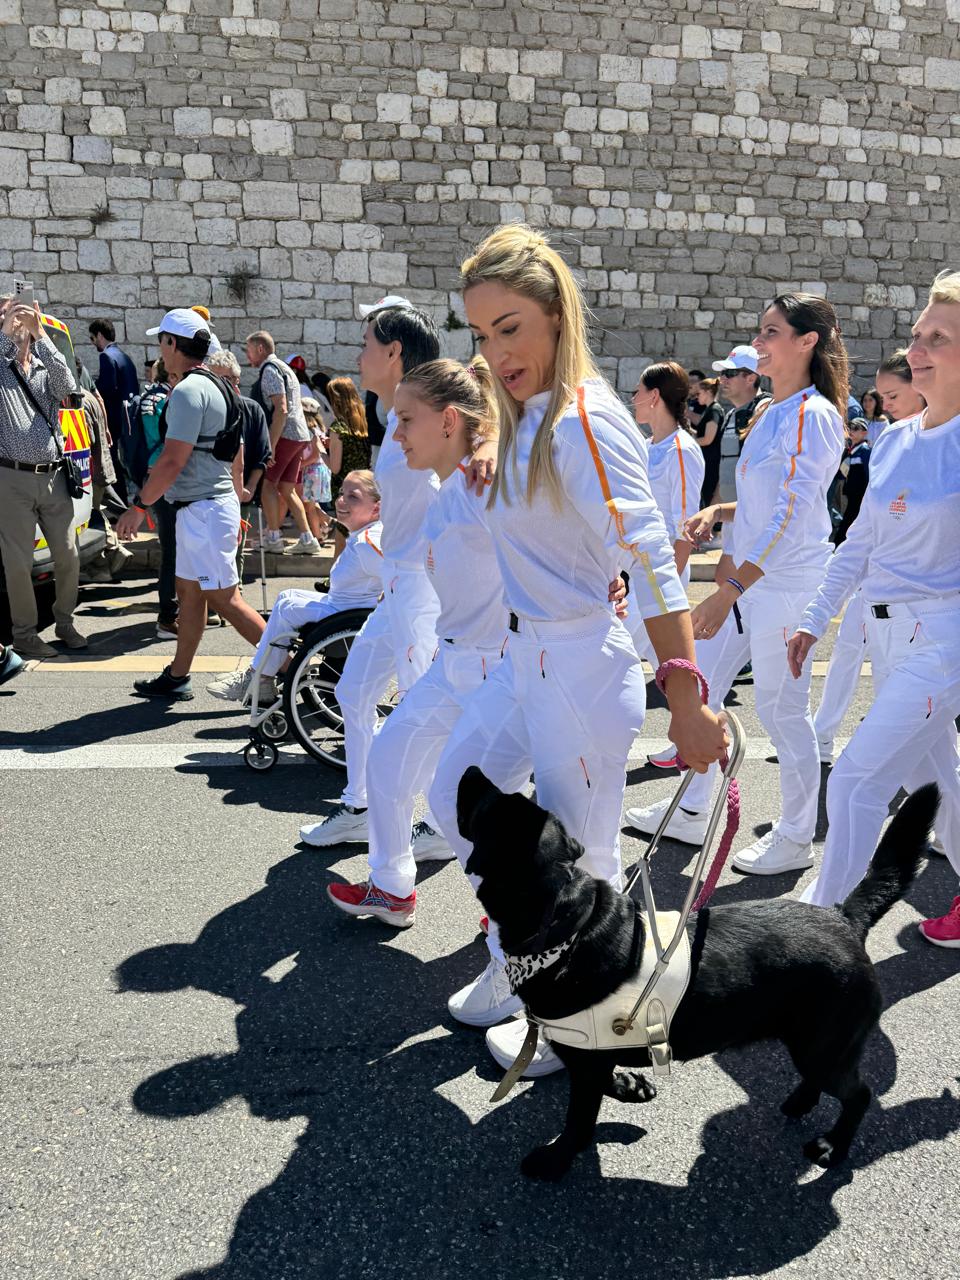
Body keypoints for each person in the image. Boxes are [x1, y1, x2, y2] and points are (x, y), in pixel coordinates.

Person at [423, 224, 725, 1076]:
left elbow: (650, 555)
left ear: (556, 314)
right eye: (480, 334)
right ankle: (516, 966)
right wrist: (485, 444)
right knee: (454, 796)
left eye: (509, 328)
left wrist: (688, 696)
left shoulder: (584, 420)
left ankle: (586, 1024)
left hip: (579, 670)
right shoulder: (526, 417)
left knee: (584, 865)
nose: (494, 351)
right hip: (527, 660)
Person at [627, 292, 847, 877]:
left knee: (782, 712)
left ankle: (797, 834)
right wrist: (719, 512)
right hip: (751, 583)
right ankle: (696, 808)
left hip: (784, 584)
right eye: (761, 331)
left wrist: (730, 589)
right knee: (701, 687)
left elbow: (796, 514)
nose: (761, 341)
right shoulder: (774, 412)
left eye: (772, 332)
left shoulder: (814, 414)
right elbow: (761, 504)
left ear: (807, 342)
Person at [788, 269, 960, 948]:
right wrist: (813, 616)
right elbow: (858, 544)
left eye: (938, 338)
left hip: (942, 636)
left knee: (857, 780)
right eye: (917, 334)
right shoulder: (893, 438)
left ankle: (826, 931)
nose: (916, 349)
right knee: (935, 774)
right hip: (884, 633)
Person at [326, 357, 505, 926]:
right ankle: (392, 887)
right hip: (453, 664)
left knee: (465, 803)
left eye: (406, 420)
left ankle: (515, 918)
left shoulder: (489, 487)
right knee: (389, 759)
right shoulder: (448, 490)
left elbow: (569, 544)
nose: (395, 433)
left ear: (449, 421)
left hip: (503, 672)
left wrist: (611, 585)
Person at [297, 298, 450, 854]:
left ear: (394, 352)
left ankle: (435, 825)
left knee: (417, 710)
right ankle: (360, 806)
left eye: (367, 344)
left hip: (419, 590)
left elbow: (452, 486)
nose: (358, 355)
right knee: (353, 689)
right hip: (399, 587)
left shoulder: (426, 417)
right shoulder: (392, 415)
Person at [116, 309, 266, 700]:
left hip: (202, 509)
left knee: (224, 599)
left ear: (171, 343)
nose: (159, 351)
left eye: (160, 342)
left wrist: (138, 505)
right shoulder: (214, 385)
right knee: (191, 593)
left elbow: (171, 460)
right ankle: (179, 675)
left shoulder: (186, 391)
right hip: (205, 507)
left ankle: (286, 667)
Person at [812, 350, 927, 763]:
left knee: (925, 724)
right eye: (881, 396)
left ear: (920, 386)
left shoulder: (937, 441)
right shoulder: (891, 440)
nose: (885, 404)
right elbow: (867, 524)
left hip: (919, 600)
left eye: (892, 395)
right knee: (847, 650)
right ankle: (824, 734)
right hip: (874, 574)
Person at [208, 470, 384, 703]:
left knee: (288, 606)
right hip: (344, 607)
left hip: (349, 615)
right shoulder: (362, 536)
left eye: (353, 497)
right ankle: (261, 675)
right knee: (286, 597)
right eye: (342, 493)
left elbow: (397, 579)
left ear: (376, 508)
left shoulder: (367, 543)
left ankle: (259, 677)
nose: (341, 500)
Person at [0, 295, 85, 658]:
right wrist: (5, 333)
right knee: (18, 563)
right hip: (12, 479)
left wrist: (44, 336)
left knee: (67, 554)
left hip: (53, 478)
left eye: (20, 315)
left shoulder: (42, 366)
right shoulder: (2, 368)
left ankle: (64, 622)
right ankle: (25, 635)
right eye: (8, 315)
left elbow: (69, 388)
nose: (18, 322)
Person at [627, 361, 704, 660]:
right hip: (637, 569)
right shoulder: (646, 446)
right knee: (668, 662)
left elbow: (685, 523)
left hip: (661, 571)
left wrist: (667, 580)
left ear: (654, 396)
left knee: (620, 651)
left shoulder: (682, 449)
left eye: (638, 391)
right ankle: (707, 705)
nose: (633, 399)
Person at [244, 332, 321, 557]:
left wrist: (270, 446)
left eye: (248, 349)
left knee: (268, 486)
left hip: (285, 435)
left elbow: (281, 409)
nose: (247, 355)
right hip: (299, 434)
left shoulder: (270, 370)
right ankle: (307, 539)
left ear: (259, 349)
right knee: (287, 489)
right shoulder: (285, 368)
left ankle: (274, 538)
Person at [205, 349, 273, 586]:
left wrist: (251, 486)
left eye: (228, 379)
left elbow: (263, 453)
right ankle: (215, 597)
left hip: (239, 493)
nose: (223, 385)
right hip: (209, 493)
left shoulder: (252, 409)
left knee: (235, 549)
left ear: (237, 380)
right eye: (217, 380)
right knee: (211, 550)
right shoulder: (207, 409)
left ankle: (234, 594)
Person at [88, 318, 139, 500]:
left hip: (115, 418)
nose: (93, 343)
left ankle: (119, 501)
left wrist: (92, 388)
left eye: (92, 338)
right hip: (128, 417)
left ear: (100, 335)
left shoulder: (107, 357)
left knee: (112, 460)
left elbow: (107, 388)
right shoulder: (124, 356)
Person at [712, 344, 767, 507]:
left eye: (729, 373)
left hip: (752, 514)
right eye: (722, 374)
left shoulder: (764, 409)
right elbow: (725, 470)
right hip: (729, 517)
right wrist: (715, 512)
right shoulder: (730, 415)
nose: (722, 379)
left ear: (751, 378)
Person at [325, 376, 372, 562]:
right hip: (363, 486)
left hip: (344, 488)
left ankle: (334, 580)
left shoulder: (337, 428)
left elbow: (335, 467)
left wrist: (321, 451)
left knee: (342, 536)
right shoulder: (363, 425)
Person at [299, 398, 332, 545]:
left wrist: (300, 465)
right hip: (320, 470)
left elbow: (314, 456)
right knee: (310, 503)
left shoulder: (309, 431)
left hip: (312, 470)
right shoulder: (318, 429)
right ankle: (326, 523)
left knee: (309, 507)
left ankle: (318, 536)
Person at [834, 417, 871, 546]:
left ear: (864, 433)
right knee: (848, 519)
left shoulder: (865, 451)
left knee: (849, 521)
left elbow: (868, 474)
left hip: (859, 495)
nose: (851, 431)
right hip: (850, 493)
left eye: (856, 428)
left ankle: (839, 544)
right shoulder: (851, 450)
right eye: (850, 427)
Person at [692, 375, 724, 511]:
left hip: (711, 462)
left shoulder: (714, 410)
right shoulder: (708, 410)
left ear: (708, 392)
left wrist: (691, 442)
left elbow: (708, 439)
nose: (696, 397)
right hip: (706, 460)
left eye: (699, 393)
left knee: (708, 499)